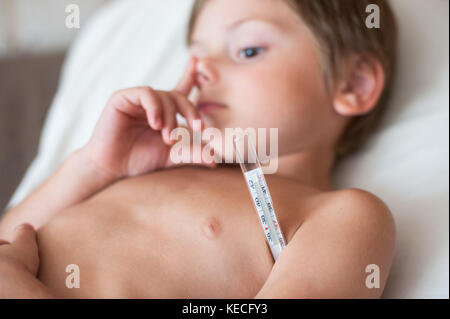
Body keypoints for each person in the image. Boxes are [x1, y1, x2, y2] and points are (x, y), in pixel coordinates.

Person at [0, 0, 397, 298]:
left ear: (353, 84)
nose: (202, 71)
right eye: (198, 55)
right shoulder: (141, 166)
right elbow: (9, 240)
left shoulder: (339, 217)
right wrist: (95, 165)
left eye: (248, 50)